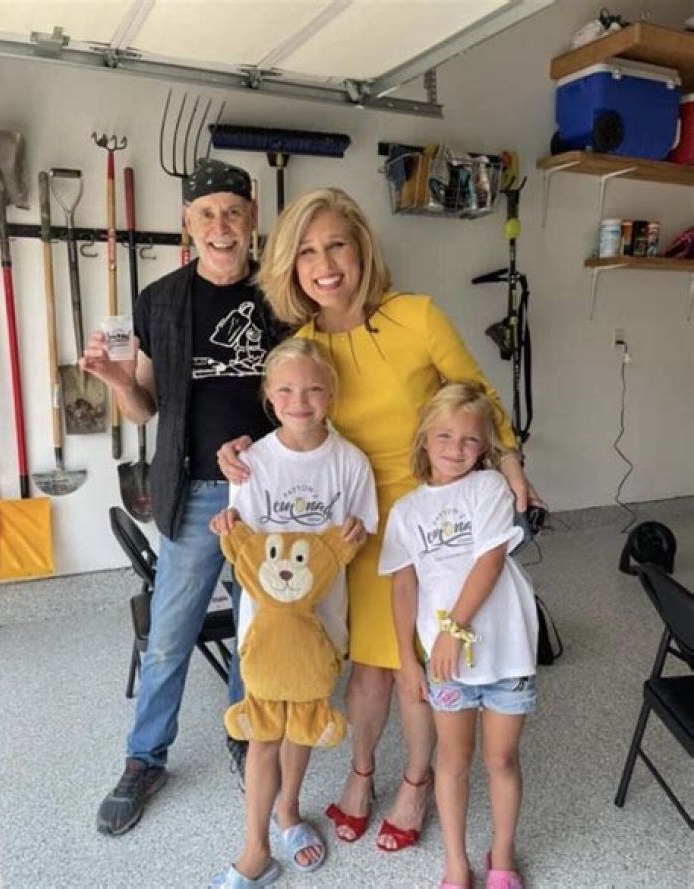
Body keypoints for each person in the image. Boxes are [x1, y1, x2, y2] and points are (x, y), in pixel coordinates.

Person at [218, 187, 541, 852]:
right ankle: (361, 773)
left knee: (415, 664)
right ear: (291, 266)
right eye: (307, 252)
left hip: (436, 515)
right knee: (369, 665)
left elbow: (477, 396)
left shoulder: (416, 316)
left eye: (336, 244)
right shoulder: (304, 344)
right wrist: (244, 447)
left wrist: (509, 461)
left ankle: (416, 782)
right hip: (359, 524)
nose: (324, 264)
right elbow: (293, 417)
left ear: (362, 247)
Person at [80, 158, 282, 836]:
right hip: (193, 492)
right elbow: (144, 408)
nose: (221, 226)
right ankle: (144, 758)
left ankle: (246, 734)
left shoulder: (282, 293)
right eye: (206, 215)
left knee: (257, 633)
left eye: (232, 212)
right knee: (168, 639)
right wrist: (117, 380)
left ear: (251, 219)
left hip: (268, 494)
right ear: (188, 225)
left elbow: (312, 393)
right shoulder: (160, 300)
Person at [209, 338, 378, 887]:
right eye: (285, 390)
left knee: (301, 724)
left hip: (321, 627)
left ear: (332, 393)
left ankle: (289, 811)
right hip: (263, 631)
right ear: (268, 395)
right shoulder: (252, 463)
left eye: (312, 389)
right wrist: (227, 531)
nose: (299, 402)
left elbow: (358, 534)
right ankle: (254, 848)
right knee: (263, 734)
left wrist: (353, 535)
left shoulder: (350, 462)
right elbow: (245, 548)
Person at [379, 381, 537, 889]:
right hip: (446, 666)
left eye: (470, 439)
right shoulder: (406, 512)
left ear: (484, 446)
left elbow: (490, 560)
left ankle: (502, 855)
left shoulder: (488, 488)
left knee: (501, 759)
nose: (456, 448)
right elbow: (403, 587)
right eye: (444, 436)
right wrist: (407, 660)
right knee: (452, 761)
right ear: (424, 439)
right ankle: (455, 862)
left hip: (506, 656)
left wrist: (454, 629)